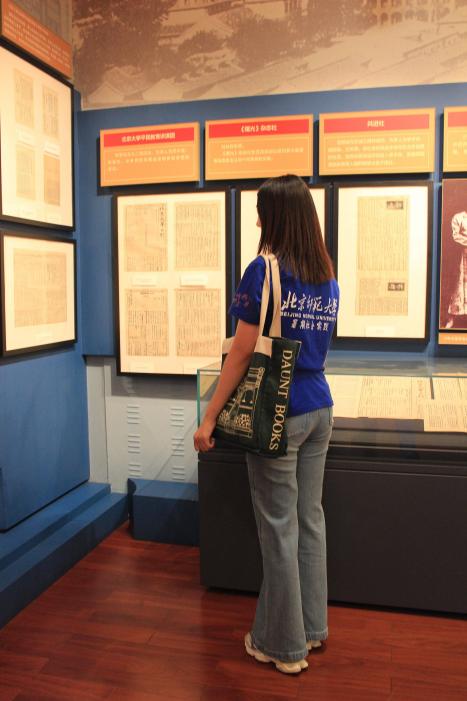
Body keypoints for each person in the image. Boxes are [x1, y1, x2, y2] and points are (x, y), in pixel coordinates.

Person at [194, 174, 339, 675]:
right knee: (309, 520)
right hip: (320, 406)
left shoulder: (264, 270)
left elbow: (240, 353)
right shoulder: (326, 275)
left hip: (280, 411)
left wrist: (209, 416)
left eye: (260, 212)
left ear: (274, 216)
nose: (256, 221)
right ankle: (312, 628)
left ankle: (282, 645)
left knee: (278, 528)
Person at [444, 210, 467, 329]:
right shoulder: (458, 217)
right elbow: (455, 235)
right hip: (462, 255)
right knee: (459, 285)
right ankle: (451, 317)